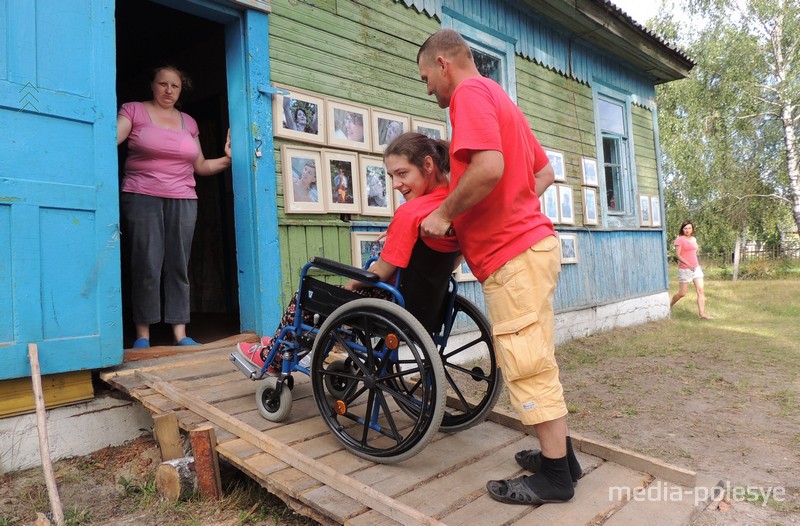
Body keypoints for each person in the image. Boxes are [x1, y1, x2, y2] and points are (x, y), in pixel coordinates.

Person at [417, 29, 580, 505]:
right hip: (535, 247)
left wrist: (446, 212)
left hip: (512, 255)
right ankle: (563, 457)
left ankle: (554, 478)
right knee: (538, 356)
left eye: (426, 77)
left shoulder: (467, 94)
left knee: (528, 366)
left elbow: (488, 168)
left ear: (444, 64)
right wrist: (511, 205)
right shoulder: (498, 96)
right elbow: (543, 171)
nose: (428, 89)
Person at [237, 132, 458, 374]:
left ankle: (274, 358)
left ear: (427, 165)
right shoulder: (455, 205)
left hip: (390, 302)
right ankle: (291, 345)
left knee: (308, 293)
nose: (395, 184)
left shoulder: (411, 213)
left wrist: (352, 284)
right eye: (392, 176)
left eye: (402, 173)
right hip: (426, 307)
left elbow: (380, 273)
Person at [117, 65, 232, 349]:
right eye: (162, 84)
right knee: (146, 263)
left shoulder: (188, 122)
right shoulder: (133, 111)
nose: (168, 90)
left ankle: (180, 333)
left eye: (174, 86)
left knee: (178, 264)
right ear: (152, 85)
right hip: (141, 194)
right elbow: (107, 139)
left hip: (183, 197)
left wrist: (229, 158)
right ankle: (143, 334)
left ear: (181, 90)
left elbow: (201, 166)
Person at [670, 220, 713, 319]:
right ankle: (669, 305)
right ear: (682, 229)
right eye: (685, 228)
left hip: (696, 268)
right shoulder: (679, 240)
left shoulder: (694, 239)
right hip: (685, 269)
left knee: (700, 290)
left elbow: (694, 251)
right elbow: (677, 254)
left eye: (689, 228)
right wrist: (688, 263)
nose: (687, 230)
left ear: (692, 229)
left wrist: (693, 263)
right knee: (682, 293)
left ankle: (702, 314)